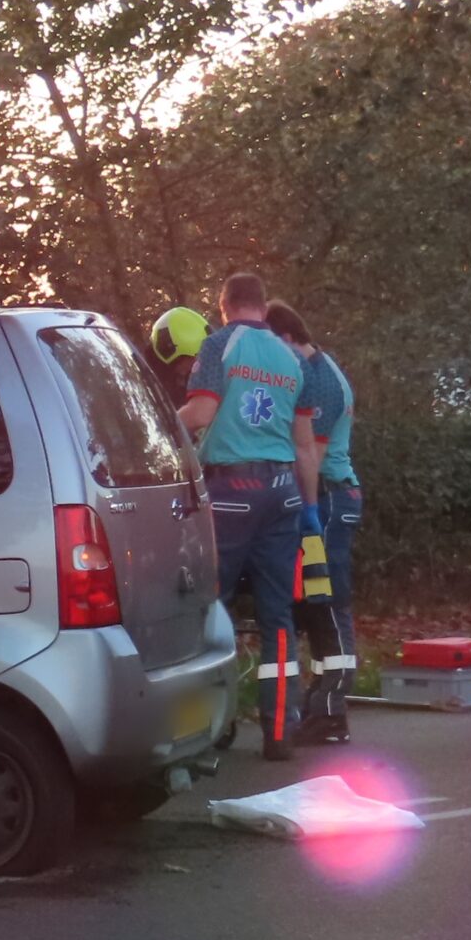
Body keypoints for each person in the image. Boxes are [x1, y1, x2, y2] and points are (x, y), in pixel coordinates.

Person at [178, 272, 316, 761]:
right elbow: (304, 445)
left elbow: (199, 414)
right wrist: (311, 509)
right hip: (282, 493)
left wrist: (157, 433)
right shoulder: (293, 360)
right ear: (262, 305)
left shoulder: (219, 347)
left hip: (231, 489)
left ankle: (211, 729)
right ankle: (280, 731)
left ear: (224, 306)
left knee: (210, 611)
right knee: (278, 618)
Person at [265, 300, 362, 743]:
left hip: (327, 497)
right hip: (322, 497)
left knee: (328, 597)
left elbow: (312, 456)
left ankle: (332, 706)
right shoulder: (313, 371)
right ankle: (323, 704)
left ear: (285, 338)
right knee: (315, 603)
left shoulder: (320, 381)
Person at [148, 305, 209, 406]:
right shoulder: (148, 386)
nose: (195, 365)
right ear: (170, 352)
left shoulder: (184, 382)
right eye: (192, 358)